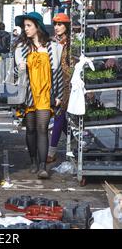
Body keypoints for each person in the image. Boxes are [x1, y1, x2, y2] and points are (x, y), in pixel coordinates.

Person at [15, 12, 63, 179]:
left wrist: (59, 95)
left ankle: (43, 167)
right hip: (29, 94)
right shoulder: (21, 48)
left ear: (37, 26)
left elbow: (58, 73)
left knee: (42, 128)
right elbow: (15, 74)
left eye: (28, 25)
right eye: (24, 26)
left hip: (45, 93)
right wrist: (19, 69)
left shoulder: (53, 47)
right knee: (30, 129)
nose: (25, 29)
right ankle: (33, 161)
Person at [48, 13, 72, 163]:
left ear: (66, 26)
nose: (57, 27)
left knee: (59, 115)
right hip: (54, 83)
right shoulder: (52, 42)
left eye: (60, 24)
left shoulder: (71, 43)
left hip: (67, 84)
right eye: (55, 24)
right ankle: (77, 142)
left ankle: (51, 152)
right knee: (62, 120)